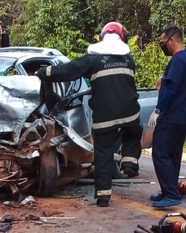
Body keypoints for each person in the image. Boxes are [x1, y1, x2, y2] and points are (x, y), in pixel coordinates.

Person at [37, 21, 142, 207]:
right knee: (133, 133)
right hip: (129, 112)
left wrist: (43, 72)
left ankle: (103, 197)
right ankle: (130, 164)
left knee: (103, 154)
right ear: (122, 37)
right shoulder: (128, 59)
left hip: (105, 116)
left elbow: (68, 71)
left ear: (102, 38)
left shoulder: (93, 60)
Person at [147, 25, 186, 208]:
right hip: (183, 116)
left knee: (160, 153)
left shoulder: (177, 60)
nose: (162, 46)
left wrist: (158, 109)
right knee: (173, 154)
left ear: (172, 40)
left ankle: (170, 193)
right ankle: (170, 190)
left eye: (163, 43)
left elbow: (172, 88)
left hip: (172, 116)